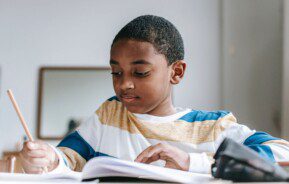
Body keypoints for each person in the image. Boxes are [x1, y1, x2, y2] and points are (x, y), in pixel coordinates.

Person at [19, 15, 289, 174]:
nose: (124, 84)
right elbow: (68, 157)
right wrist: (49, 158)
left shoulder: (211, 128)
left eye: (140, 73)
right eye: (116, 73)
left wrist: (191, 162)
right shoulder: (109, 115)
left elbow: (282, 153)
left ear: (177, 72)